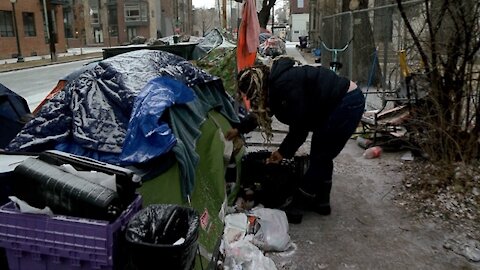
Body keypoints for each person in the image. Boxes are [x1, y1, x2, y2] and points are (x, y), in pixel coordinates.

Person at [229, 56, 365, 215]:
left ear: (258, 89)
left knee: (320, 156)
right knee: (321, 153)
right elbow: (263, 112)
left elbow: (300, 128)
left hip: (346, 102)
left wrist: (282, 152)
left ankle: (299, 204)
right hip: (339, 101)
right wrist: (239, 129)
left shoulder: (284, 87)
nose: (251, 100)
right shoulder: (273, 85)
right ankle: (322, 202)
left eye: (251, 96)